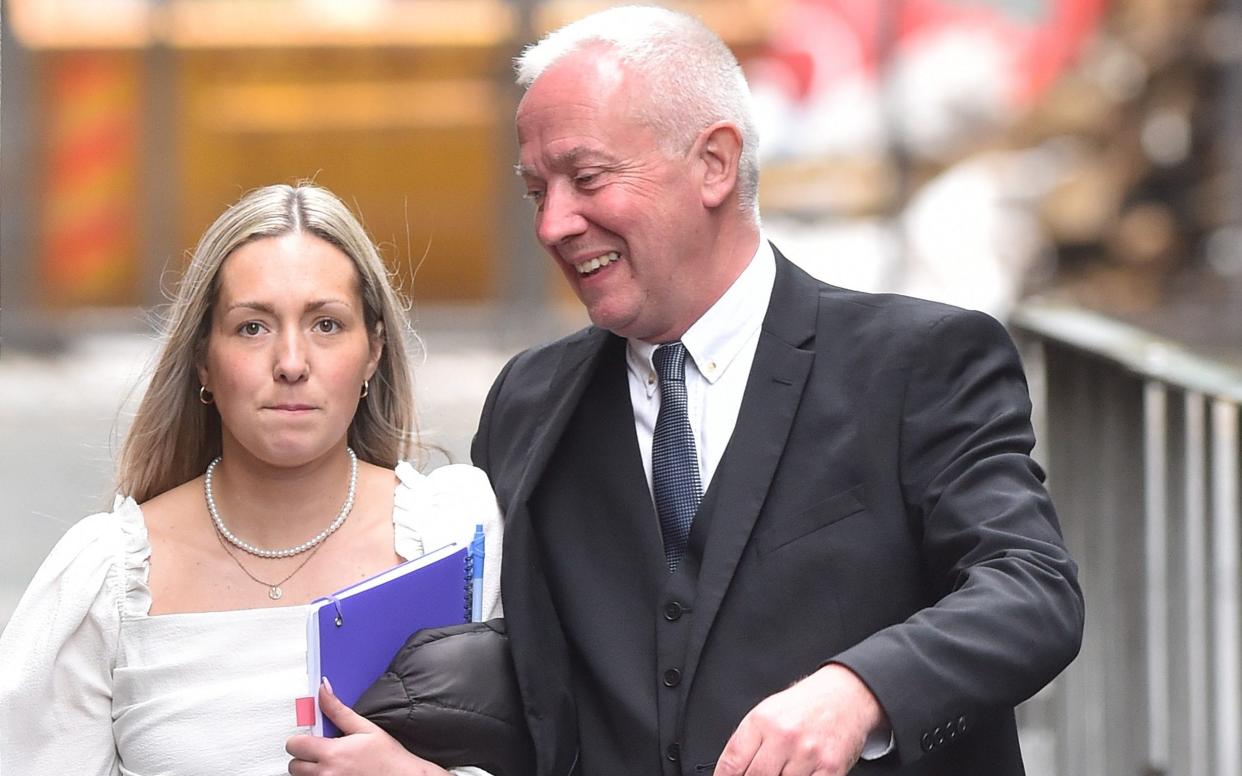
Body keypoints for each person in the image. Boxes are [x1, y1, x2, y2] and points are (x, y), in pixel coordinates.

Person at [470, 6, 1084, 776]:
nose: (554, 224)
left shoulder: (919, 361)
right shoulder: (527, 402)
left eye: (587, 178)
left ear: (715, 164)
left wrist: (858, 691)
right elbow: (512, 674)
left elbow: (1031, 592)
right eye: (536, 191)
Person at [0, 182, 502, 776]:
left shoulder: (455, 537)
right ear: (202, 361)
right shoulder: (107, 579)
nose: (291, 363)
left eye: (326, 324)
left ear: (373, 353)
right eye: (252, 328)